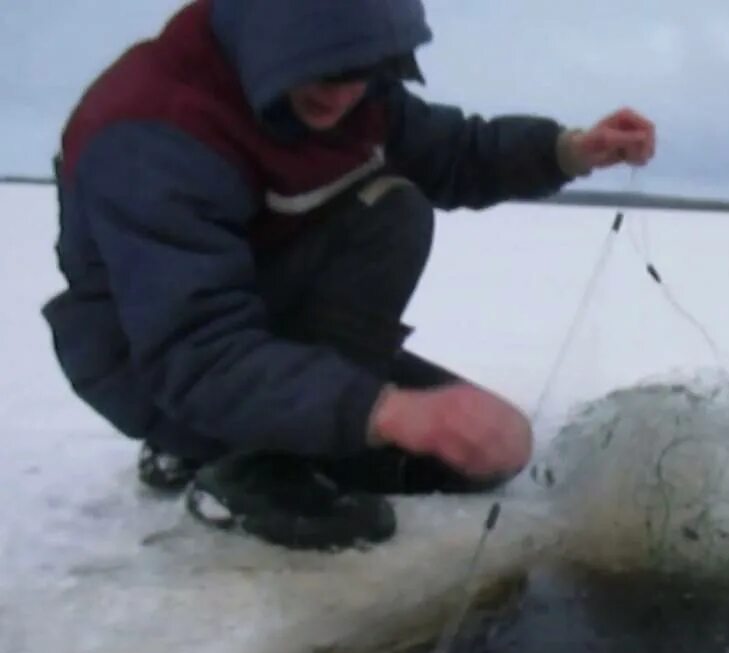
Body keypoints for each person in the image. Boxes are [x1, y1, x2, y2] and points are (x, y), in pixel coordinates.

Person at [40, 0, 656, 551]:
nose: (344, 92)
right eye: (326, 71)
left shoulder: (359, 93)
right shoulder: (152, 130)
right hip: (155, 366)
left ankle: (228, 445)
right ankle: (242, 461)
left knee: (484, 457)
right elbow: (195, 350)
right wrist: (388, 412)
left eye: (364, 69)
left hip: (262, 342)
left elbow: (457, 151)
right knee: (391, 213)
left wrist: (572, 150)